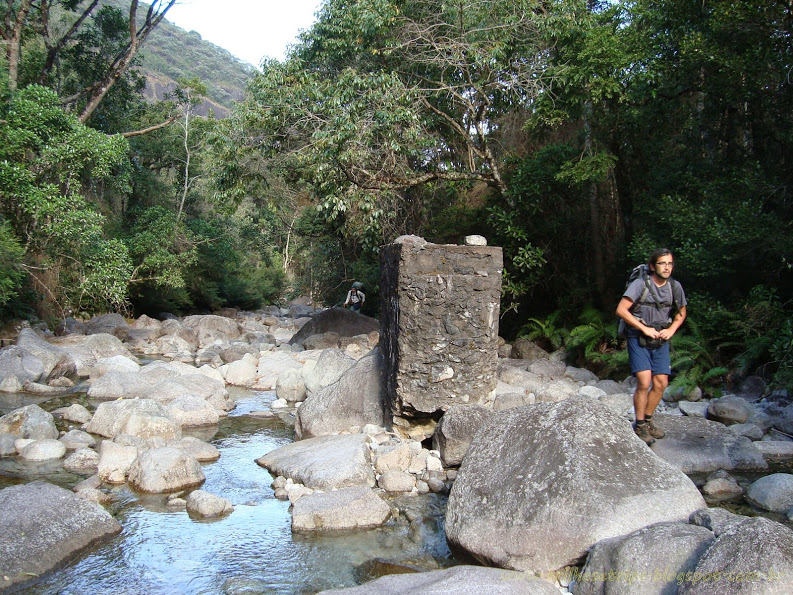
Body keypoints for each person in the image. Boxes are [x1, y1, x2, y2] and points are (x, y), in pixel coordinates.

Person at [616, 248, 687, 445]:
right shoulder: (640, 284)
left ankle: (647, 421)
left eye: (670, 263)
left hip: (661, 339)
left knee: (661, 383)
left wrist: (671, 329)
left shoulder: (675, 287)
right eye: (663, 263)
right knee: (644, 381)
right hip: (638, 337)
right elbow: (621, 310)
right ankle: (639, 425)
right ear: (652, 266)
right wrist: (643, 328)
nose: (667, 267)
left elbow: (681, 312)